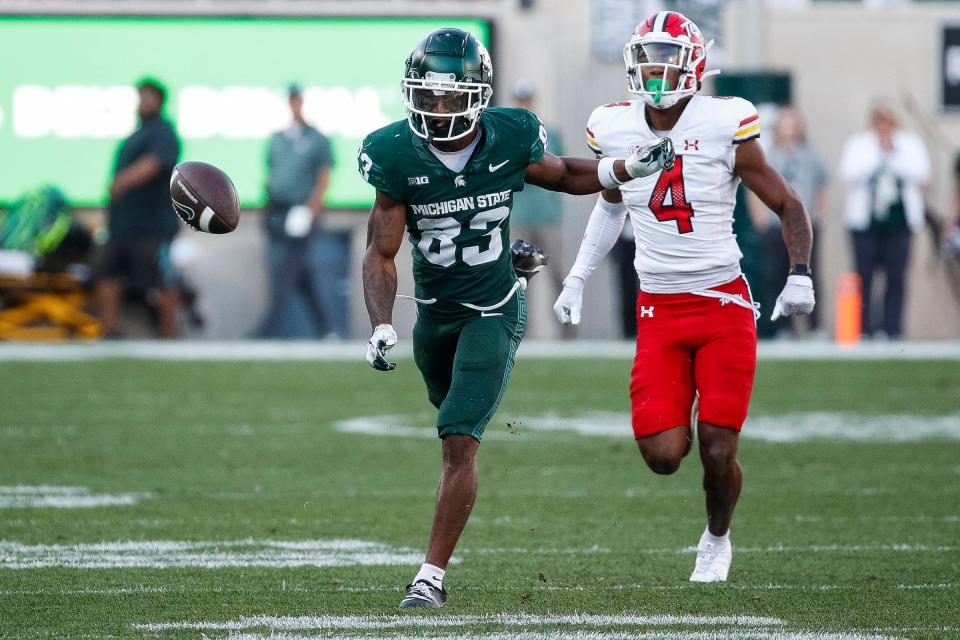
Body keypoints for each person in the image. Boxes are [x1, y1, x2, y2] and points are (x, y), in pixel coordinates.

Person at [358, 27, 670, 608]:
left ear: (477, 94)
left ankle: (430, 577)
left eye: (449, 96)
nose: (437, 107)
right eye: (426, 95)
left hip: (492, 309)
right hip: (434, 314)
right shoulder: (395, 152)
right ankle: (512, 268)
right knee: (448, 416)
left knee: (458, 439)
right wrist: (381, 323)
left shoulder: (511, 135)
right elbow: (380, 252)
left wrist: (624, 167)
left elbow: (565, 174)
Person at [553, 11, 815, 582]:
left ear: (694, 65)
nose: (655, 71)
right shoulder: (616, 125)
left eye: (666, 59)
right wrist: (576, 277)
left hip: (722, 302)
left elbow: (788, 202)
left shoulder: (726, 120)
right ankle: (688, 405)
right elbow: (610, 202)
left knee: (719, 448)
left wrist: (800, 271)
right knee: (664, 456)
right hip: (660, 309)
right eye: (647, 59)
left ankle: (717, 538)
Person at [94, 78, 181, 338]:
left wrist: (123, 180)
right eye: (140, 96)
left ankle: (169, 333)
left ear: (159, 101)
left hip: (152, 225)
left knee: (163, 280)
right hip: (123, 225)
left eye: (148, 97)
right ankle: (111, 329)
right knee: (106, 271)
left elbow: (154, 164)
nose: (143, 102)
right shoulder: (135, 134)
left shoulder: (164, 132)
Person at [254, 83, 342, 338]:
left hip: (301, 210)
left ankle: (268, 329)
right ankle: (327, 329)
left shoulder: (316, 138)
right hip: (277, 210)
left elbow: (324, 174)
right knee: (300, 276)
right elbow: (271, 173)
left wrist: (313, 206)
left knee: (286, 268)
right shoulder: (278, 138)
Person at [839, 100, 930, 340]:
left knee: (896, 277)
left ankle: (893, 328)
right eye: (880, 121)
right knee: (865, 276)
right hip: (865, 225)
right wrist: (878, 154)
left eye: (889, 122)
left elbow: (921, 173)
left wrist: (892, 154)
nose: (884, 127)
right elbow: (849, 173)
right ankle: (865, 329)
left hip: (899, 225)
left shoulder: (909, 145)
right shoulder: (860, 144)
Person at [747, 106, 827, 339]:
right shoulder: (769, 156)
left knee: (809, 274)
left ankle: (814, 327)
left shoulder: (811, 155)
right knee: (777, 274)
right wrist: (760, 217)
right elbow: (754, 187)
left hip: (804, 226)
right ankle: (784, 327)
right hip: (777, 224)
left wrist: (819, 214)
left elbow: (822, 185)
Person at [508, 81, 567, 336]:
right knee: (521, 279)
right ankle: (522, 332)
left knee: (558, 274)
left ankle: (568, 330)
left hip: (547, 216)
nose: (524, 105)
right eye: (520, 101)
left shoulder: (550, 135)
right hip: (521, 216)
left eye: (527, 100)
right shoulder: (507, 136)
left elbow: (563, 171)